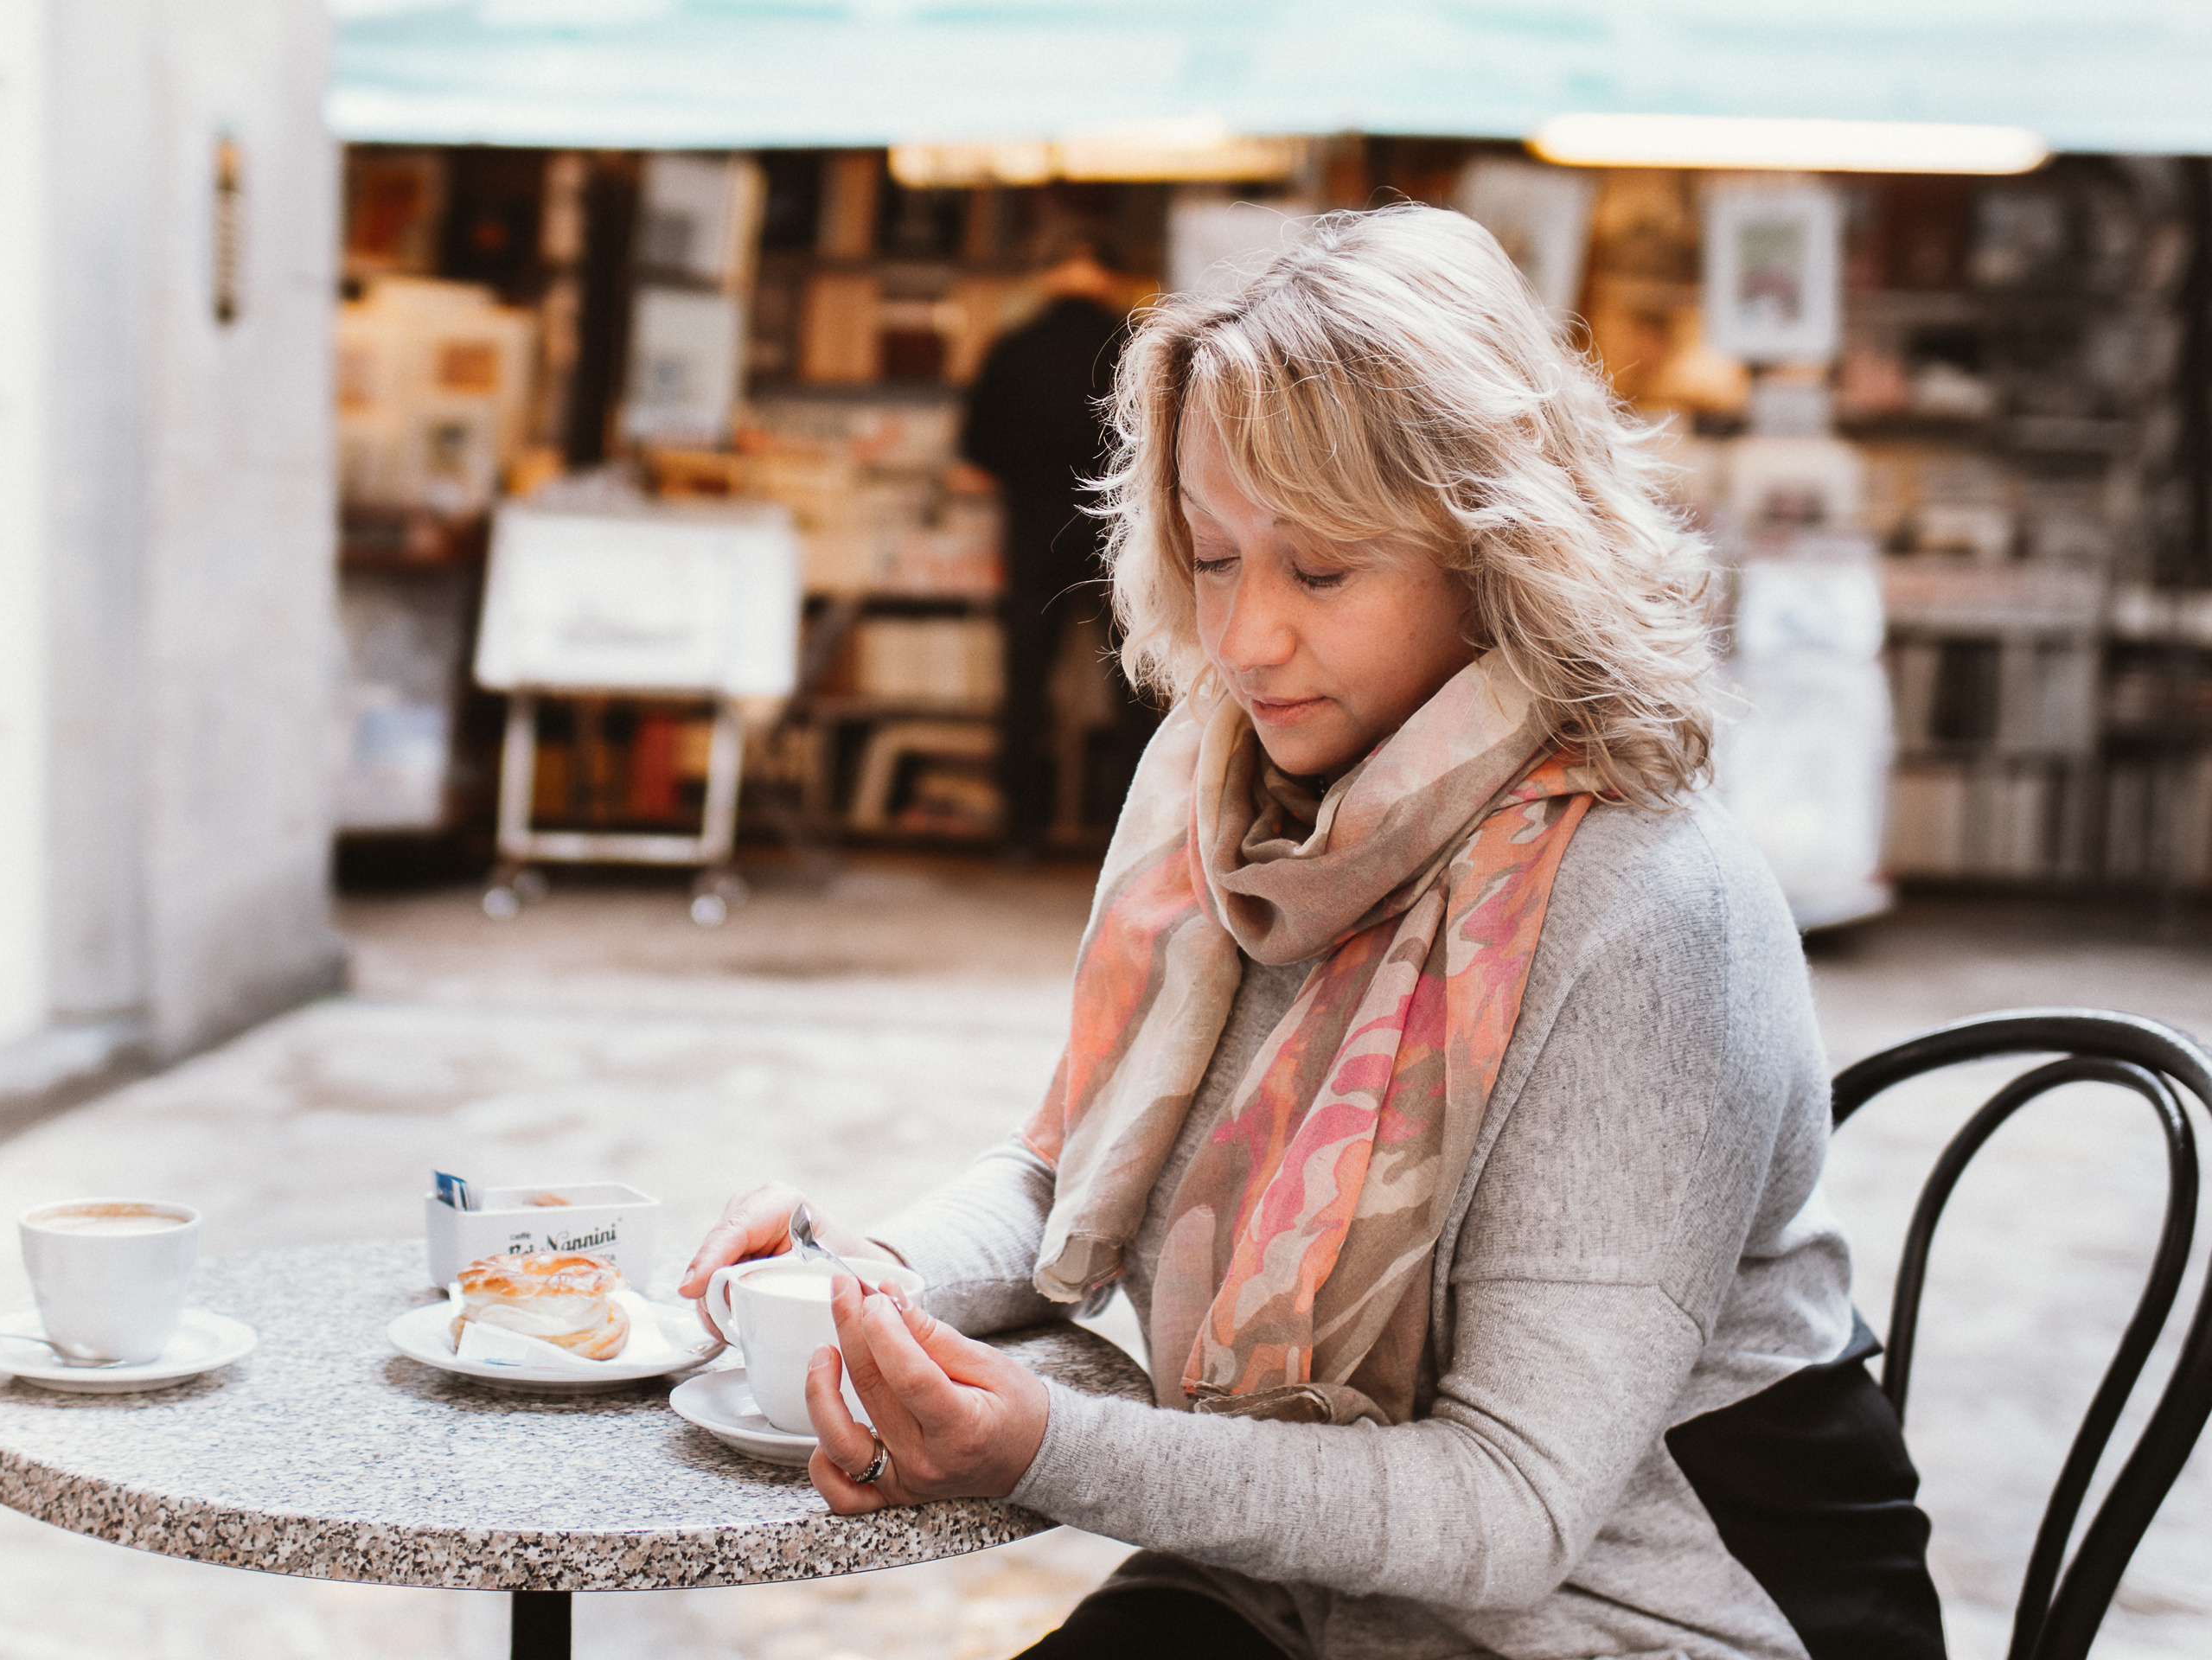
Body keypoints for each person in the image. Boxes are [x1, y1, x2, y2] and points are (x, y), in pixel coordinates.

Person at [681, 204, 1946, 1660]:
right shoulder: (1229, 799)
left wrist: (1042, 1444)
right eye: (1214, 559)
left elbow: (1507, 1508)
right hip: (1316, 1592)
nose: (1244, 641)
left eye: (1323, 571)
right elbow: (1073, 1171)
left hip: (1656, 1613)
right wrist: (864, 1282)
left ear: (1498, 546)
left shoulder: (1647, 901)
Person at [958, 240, 1150, 858]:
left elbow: (977, 449)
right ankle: (1131, 833)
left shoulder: (1012, 347)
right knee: (1135, 684)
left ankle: (1018, 832)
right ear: (1106, 276)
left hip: (1033, 530)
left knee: (1024, 684)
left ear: (1047, 277)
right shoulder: (1135, 346)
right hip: (1120, 534)